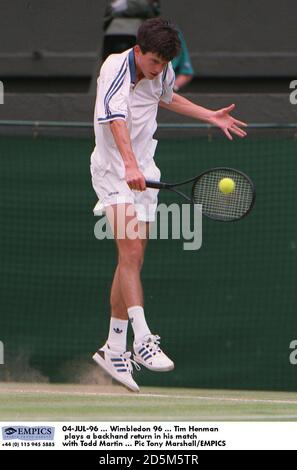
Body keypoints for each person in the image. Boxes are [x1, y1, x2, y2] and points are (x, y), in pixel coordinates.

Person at [90, 18, 247, 393]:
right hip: (114, 170)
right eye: (153, 61)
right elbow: (115, 119)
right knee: (129, 249)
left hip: (146, 169)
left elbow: (167, 96)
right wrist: (128, 163)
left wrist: (208, 114)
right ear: (138, 51)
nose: (159, 68)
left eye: (164, 63)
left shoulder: (162, 68)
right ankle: (141, 340)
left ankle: (113, 347)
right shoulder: (115, 67)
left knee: (133, 258)